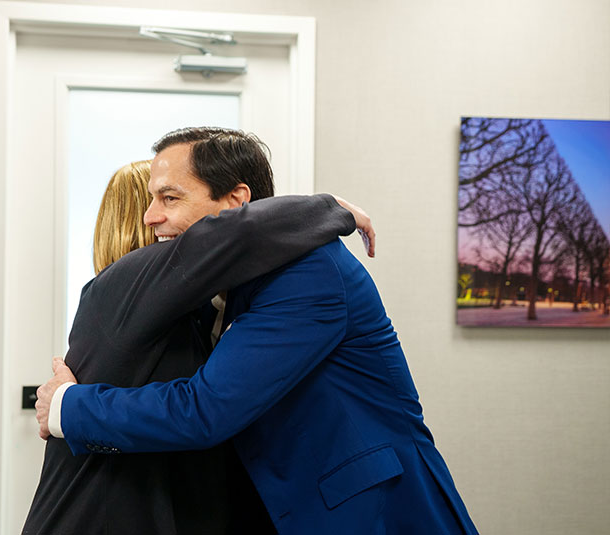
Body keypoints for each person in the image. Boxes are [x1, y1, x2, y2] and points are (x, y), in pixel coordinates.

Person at [36, 127, 479, 535]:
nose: (150, 216)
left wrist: (68, 407)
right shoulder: (215, 291)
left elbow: (206, 410)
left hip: (370, 512)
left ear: (236, 203)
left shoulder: (309, 273)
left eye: (169, 198)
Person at [23, 156, 367, 534]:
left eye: (170, 199)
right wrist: (323, 209)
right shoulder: (128, 285)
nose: (156, 216)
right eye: (157, 200)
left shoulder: (164, 312)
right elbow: (242, 234)